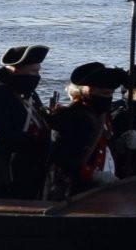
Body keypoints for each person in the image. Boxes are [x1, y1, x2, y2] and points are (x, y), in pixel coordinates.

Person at [0, 43, 53, 200]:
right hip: (6, 176)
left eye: (38, 71)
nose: (37, 76)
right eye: (33, 71)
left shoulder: (29, 93)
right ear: (15, 70)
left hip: (30, 172)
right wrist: (36, 140)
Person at [46, 62, 126, 200]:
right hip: (78, 189)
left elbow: (106, 147)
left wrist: (121, 145)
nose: (108, 98)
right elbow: (59, 156)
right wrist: (93, 174)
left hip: (103, 188)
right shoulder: (71, 116)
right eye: (105, 93)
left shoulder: (102, 115)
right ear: (88, 90)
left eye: (112, 93)